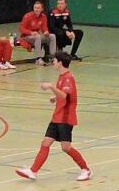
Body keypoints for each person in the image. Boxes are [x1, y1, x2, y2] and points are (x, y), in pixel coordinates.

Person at [16, 51, 91, 181]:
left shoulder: (68, 77)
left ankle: (86, 169)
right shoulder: (62, 77)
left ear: (61, 62)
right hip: (57, 116)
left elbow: (64, 96)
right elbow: (62, 94)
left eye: (55, 60)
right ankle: (33, 171)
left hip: (65, 117)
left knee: (66, 147)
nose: (53, 62)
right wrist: (55, 97)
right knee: (46, 142)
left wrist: (51, 87)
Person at [19, 1, 56, 66]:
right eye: (35, 8)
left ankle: (52, 57)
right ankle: (38, 59)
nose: (36, 9)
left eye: (38, 8)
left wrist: (46, 31)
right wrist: (31, 32)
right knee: (38, 37)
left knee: (52, 36)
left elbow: (44, 27)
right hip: (26, 37)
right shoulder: (27, 16)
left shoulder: (43, 16)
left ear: (42, 9)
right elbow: (21, 29)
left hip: (36, 36)